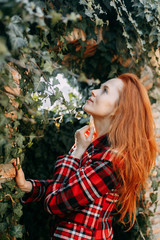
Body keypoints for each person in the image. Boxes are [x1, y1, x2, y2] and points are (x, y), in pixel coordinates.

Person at [13, 73, 157, 240]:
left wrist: (77, 152)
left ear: (119, 109)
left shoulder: (112, 160)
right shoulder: (94, 147)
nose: (94, 91)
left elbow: (55, 202)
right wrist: (27, 186)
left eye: (105, 90)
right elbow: (64, 188)